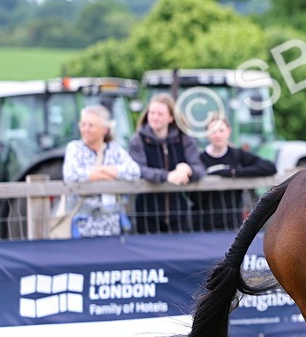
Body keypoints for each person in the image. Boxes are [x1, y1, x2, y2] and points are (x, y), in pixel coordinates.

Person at [59, 104, 142, 237]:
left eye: (91, 125)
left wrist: (102, 170)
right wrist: (111, 175)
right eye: (83, 124)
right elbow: (70, 175)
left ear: (105, 129)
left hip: (112, 227)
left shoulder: (115, 149)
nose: (86, 129)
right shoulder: (74, 148)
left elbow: (134, 172)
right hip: (82, 226)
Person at [129, 93, 206, 234]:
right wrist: (167, 176)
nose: (154, 117)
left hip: (179, 213)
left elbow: (199, 168)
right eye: (152, 113)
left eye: (160, 114)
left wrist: (188, 169)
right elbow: (138, 169)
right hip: (147, 213)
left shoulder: (184, 139)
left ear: (170, 117)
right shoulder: (138, 140)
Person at [195, 114, 277, 231]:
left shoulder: (237, 155)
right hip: (203, 223)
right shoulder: (199, 158)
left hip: (232, 223)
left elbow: (269, 167)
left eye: (221, 130)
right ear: (207, 134)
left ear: (229, 131)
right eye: (213, 131)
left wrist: (234, 173)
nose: (217, 135)